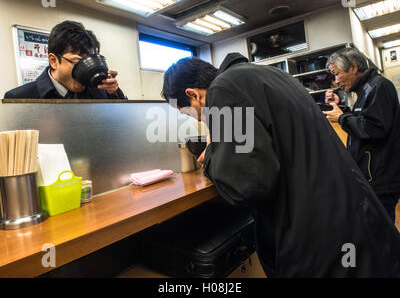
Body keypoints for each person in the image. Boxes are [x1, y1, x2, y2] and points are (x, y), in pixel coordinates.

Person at [162, 52, 400, 277]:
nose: (198, 119)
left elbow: (249, 184)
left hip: (319, 236)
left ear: (193, 94)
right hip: (350, 215)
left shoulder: (223, 89)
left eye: (188, 113)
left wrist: (212, 156)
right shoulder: (268, 75)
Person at [323, 48, 400, 223]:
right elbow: (364, 119)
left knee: (382, 233)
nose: (336, 81)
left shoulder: (377, 87)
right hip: (374, 177)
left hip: (381, 178)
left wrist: (342, 118)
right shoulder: (366, 90)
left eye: (337, 74)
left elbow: (375, 128)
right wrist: (341, 108)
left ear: (353, 67)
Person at [4, 21, 127, 99]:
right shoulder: (20, 99)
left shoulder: (99, 93)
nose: (85, 71)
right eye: (77, 62)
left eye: (88, 62)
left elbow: (120, 128)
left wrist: (114, 93)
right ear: (53, 61)